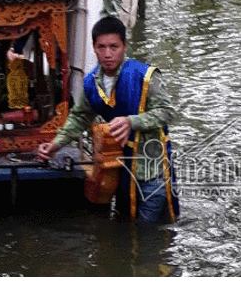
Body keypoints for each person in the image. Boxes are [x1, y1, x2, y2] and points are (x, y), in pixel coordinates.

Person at [36, 16, 180, 223]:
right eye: (101, 47)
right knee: (126, 225)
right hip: (118, 170)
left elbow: (167, 112)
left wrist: (132, 121)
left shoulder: (145, 75)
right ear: (94, 48)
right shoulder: (91, 82)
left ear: (124, 45)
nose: (108, 54)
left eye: (114, 47)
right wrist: (55, 145)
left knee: (145, 232)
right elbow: (80, 117)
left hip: (150, 172)